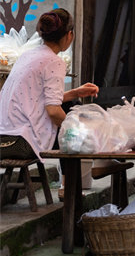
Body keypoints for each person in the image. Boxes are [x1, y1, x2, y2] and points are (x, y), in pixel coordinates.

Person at [0, 9, 99, 160]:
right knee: (74, 116)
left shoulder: (28, 55)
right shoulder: (54, 62)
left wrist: (75, 93)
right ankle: (69, 181)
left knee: (70, 106)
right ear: (69, 35)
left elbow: (37, 100)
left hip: (5, 136)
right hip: (21, 141)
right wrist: (82, 131)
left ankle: (68, 180)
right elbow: (53, 111)